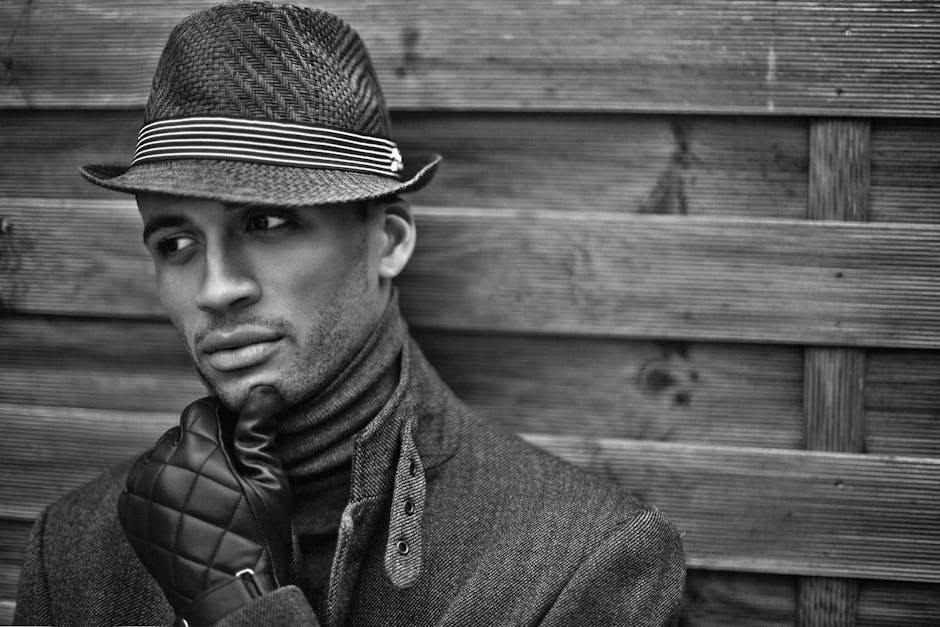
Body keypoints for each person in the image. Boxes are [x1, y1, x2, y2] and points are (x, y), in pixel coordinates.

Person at [14, 2, 685, 625]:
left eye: (266, 220)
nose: (216, 288)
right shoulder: (75, 550)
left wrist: (238, 608)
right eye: (176, 242)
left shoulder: (580, 563)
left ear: (388, 240)